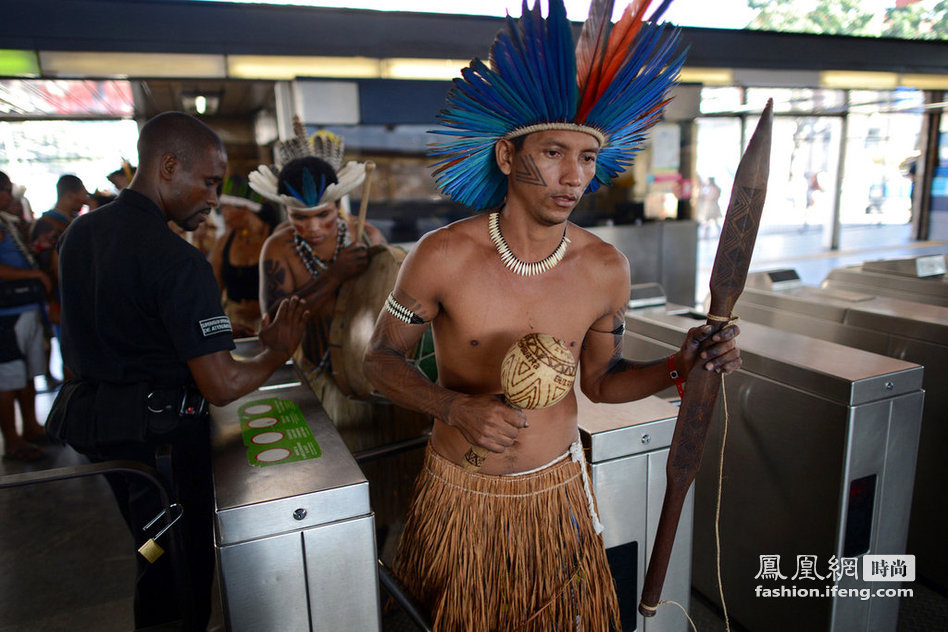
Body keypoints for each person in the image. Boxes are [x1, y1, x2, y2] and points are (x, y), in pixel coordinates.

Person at [364, 2, 740, 630]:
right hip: (461, 496)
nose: (573, 177)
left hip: (554, 493)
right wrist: (453, 407)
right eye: (554, 152)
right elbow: (379, 360)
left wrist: (683, 365)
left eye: (588, 158)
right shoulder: (443, 256)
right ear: (508, 158)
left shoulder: (604, 270)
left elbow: (601, 382)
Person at [47, 111, 308, 631]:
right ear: (168, 166)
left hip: (106, 437)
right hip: (163, 449)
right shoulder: (178, 261)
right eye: (209, 182)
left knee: (150, 551)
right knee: (181, 572)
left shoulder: (81, 236)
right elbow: (221, 384)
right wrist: (278, 350)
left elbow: (98, 337)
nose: (215, 198)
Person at [0, 171, 51, 461]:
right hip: (7, 314)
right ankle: (12, 439)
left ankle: (31, 427)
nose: (11, 196)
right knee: (8, 380)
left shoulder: (9, 223)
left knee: (28, 372)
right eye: (6, 191)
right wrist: (33, 272)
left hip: (25, 309)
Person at [208, 175, 280, 337]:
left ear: (246, 209)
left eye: (227, 208)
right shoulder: (223, 242)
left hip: (272, 321)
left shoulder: (278, 238)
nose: (223, 214)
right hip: (235, 322)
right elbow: (213, 290)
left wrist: (265, 307)